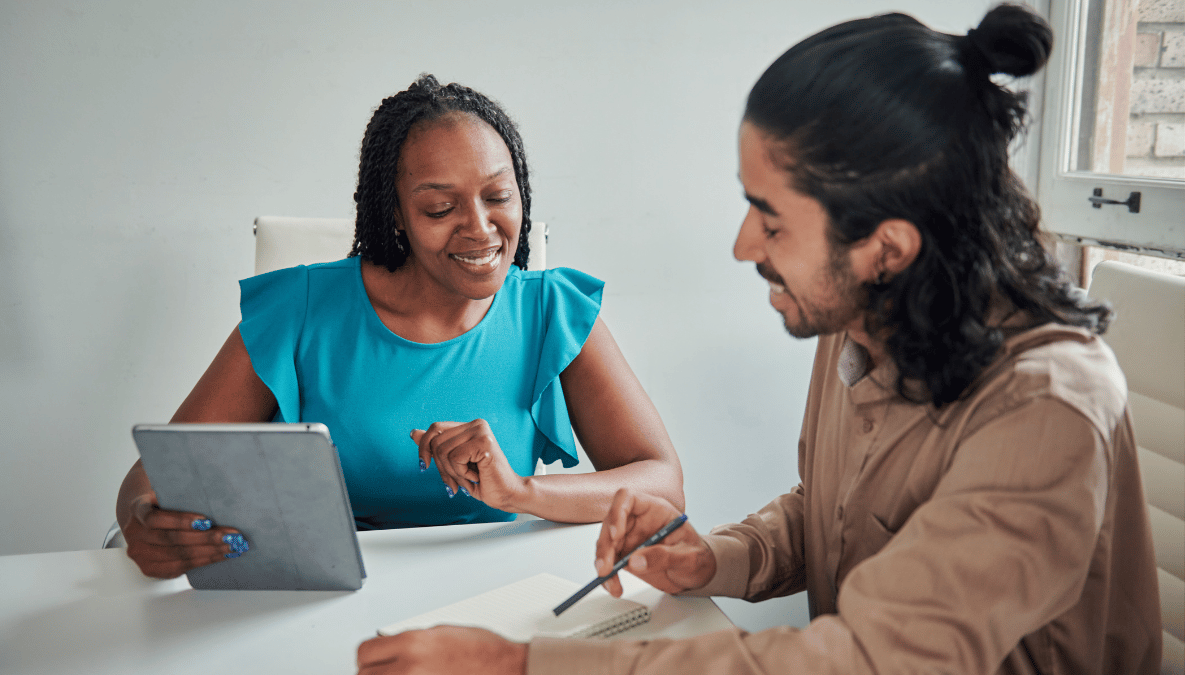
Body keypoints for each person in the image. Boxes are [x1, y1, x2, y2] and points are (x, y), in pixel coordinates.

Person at [355, 6, 1162, 675]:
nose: (744, 244)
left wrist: (518, 663)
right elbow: (838, 509)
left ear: (887, 245)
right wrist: (713, 557)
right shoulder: (861, 311)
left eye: (771, 218)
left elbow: (868, 659)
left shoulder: (1047, 404)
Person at [115, 75, 685, 579]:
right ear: (395, 214)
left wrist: (522, 492)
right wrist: (145, 521)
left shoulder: (552, 309)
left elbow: (663, 482)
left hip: (495, 596)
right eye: (440, 208)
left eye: (498, 196)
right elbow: (154, 477)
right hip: (330, 600)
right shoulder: (300, 309)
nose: (481, 229)